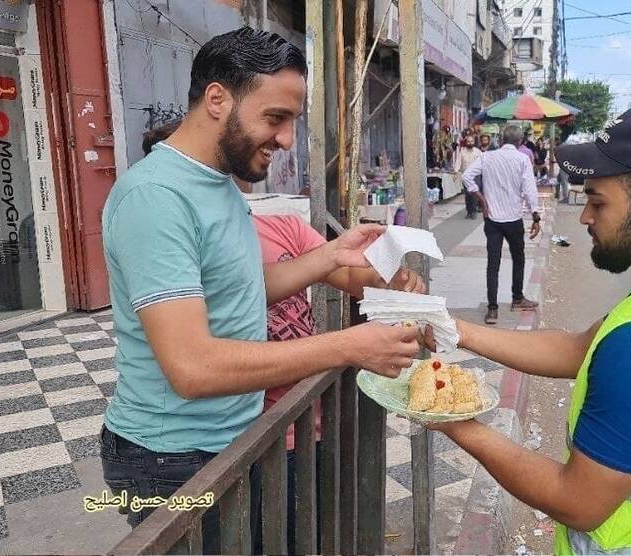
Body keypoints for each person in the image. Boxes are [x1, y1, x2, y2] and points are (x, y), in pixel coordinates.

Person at [100, 28, 422, 553]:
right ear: (217, 99)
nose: (287, 140)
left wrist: (325, 259)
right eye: (276, 119)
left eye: (292, 120)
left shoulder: (218, 182)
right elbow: (192, 367)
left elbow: (238, 289)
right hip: (168, 463)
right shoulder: (155, 199)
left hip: (230, 439)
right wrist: (346, 347)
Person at [426, 104, 631, 555]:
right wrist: (455, 331)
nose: (584, 217)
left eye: (597, 201)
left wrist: (451, 420)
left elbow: (577, 502)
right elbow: (578, 349)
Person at [462, 124, 541, 325]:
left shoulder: (487, 157)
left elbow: (466, 176)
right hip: (514, 218)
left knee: (493, 264)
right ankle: (517, 298)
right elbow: (530, 189)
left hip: (492, 220)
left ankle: (492, 310)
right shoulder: (523, 159)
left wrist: (481, 199)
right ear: (520, 141)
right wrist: (536, 216)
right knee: (519, 258)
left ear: (502, 140)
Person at [454, 133, 483, 219]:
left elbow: (483, 162)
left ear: (474, 142)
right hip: (466, 176)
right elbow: (458, 162)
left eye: (471, 141)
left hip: (476, 176)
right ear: (466, 142)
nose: (470, 143)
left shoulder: (478, 152)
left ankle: (474, 211)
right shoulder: (462, 152)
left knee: (474, 193)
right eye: (468, 141)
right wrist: (455, 172)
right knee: (468, 194)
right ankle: (469, 211)